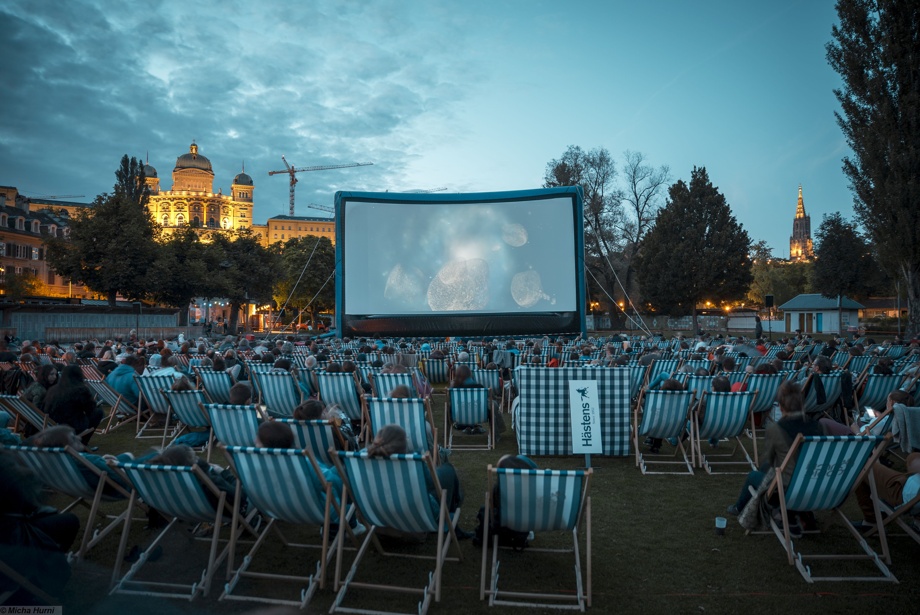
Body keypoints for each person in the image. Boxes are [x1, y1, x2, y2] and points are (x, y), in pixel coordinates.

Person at [726, 381, 827, 533]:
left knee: (755, 475)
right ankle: (798, 514)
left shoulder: (778, 429)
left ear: (780, 406)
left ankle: (738, 508)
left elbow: (769, 461)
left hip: (788, 490)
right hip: (816, 487)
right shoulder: (818, 426)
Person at [366, 424, 472, 539]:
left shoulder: (362, 460)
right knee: (448, 471)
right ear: (403, 445)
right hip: (415, 512)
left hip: (377, 512)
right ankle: (450, 527)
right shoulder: (412, 462)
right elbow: (431, 483)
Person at [0, 449, 79, 600]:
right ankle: (37, 581)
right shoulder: (5, 472)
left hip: (9, 538)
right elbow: (28, 504)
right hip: (11, 544)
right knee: (68, 522)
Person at [853, 453, 920, 531]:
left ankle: (872, 520)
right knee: (913, 457)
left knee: (863, 465)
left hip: (909, 494)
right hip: (912, 485)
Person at [43, 365, 104, 445]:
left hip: (54, 425)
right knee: (98, 413)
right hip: (74, 426)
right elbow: (91, 410)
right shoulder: (80, 389)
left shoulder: (53, 390)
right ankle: (81, 443)